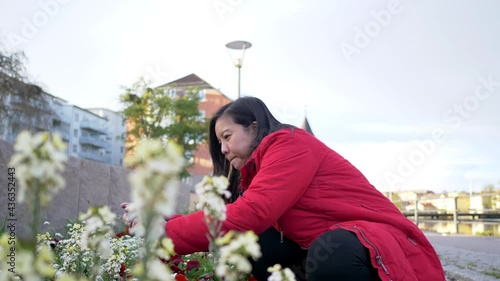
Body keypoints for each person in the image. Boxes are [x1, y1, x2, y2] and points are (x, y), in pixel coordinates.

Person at [123, 97, 446, 281]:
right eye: (218, 141)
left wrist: (161, 232)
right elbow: (232, 223)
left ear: (253, 126)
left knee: (330, 252)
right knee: (258, 243)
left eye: (226, 136)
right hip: (329, 241)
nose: (222, 149)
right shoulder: (254, 171)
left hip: (378, 240)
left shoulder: (290, 144)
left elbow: (251, 213)